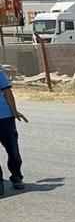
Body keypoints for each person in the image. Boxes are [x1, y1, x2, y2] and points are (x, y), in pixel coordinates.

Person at [0, 68, 28, 196]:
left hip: (5, 118)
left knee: (13, 151)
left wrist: (14, 111)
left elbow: (7, 92)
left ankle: (16, 176)